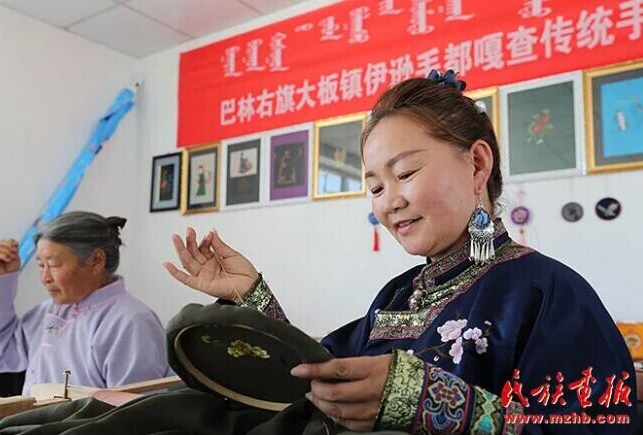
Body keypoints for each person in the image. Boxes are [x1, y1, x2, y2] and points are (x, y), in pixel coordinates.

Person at [163, 70, 637, 434]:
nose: (388, 201)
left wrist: (437, 403)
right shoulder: (398, 295)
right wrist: (252, 296)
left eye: (405, 174)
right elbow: (316, 380)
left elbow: (600, 424)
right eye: (375, 187)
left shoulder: (548, 292)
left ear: (476, 164)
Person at [0, 211, 168, 396]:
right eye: (41, 265)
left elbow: (134, 408)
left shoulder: (131, 322)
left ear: (96, 261)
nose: (45, 278)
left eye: (54, 265)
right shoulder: (48, 311)